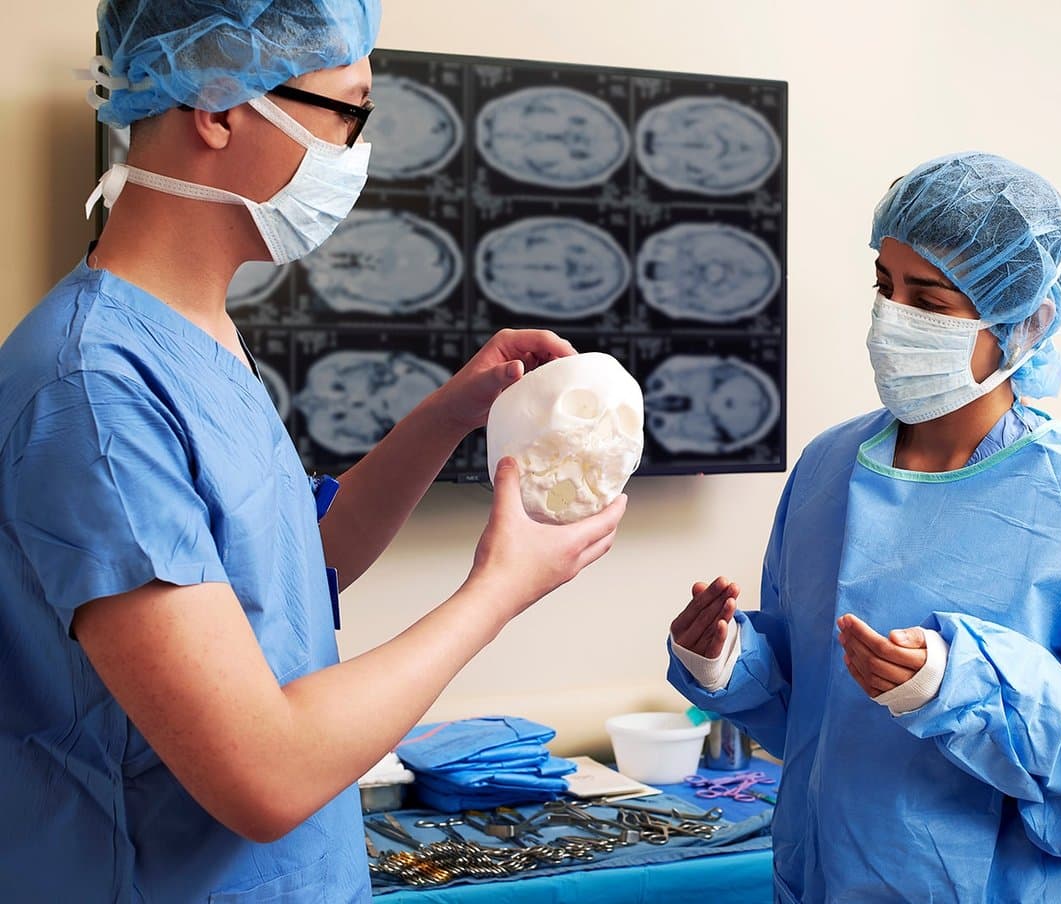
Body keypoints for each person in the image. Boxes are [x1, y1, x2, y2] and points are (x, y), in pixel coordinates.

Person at [0, 2, 625, 901]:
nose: (356, 152)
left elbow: (293, 569)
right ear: (217, 109)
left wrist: (446, 417)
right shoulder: (96, 393)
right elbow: (265, 774)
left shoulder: (199, 335)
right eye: (348, 112)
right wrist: (497, 591)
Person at [667, 152, 1061, 902]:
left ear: (1023, 322)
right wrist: (726, 661)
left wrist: (970, 690)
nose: (891, 318)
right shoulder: (828, 469)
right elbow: (817, 720)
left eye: (929, 302)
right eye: (884, 286)